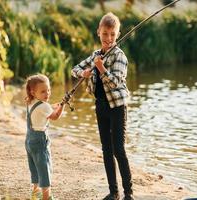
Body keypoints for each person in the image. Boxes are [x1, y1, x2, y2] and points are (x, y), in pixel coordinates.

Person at [71, 12, 134, 200]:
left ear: (117, 34)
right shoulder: (96, 55)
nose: (109, 38)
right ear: (98, 32)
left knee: (118, 149)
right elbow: (74, 69)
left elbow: (116, 82)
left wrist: (101, 69)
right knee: (106, 149)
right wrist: (84, 73)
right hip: (101, 106)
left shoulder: (120, 57)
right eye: (105, 34)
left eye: (112, 34)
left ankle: (128, 193)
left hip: (117, 107)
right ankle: (113, 192)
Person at [24, 74, 65, 200]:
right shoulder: (44, 106)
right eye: (43, 91)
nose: (47, 93)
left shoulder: (30, 101)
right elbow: (55, 117)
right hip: (40, 141)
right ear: (33, 92)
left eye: (48, 90)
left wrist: (53, 106)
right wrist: (62, 106)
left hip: (29, 141)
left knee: (35, 167)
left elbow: (43, 109)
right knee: (44, 168)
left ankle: (35, 193)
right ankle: (46, 197)